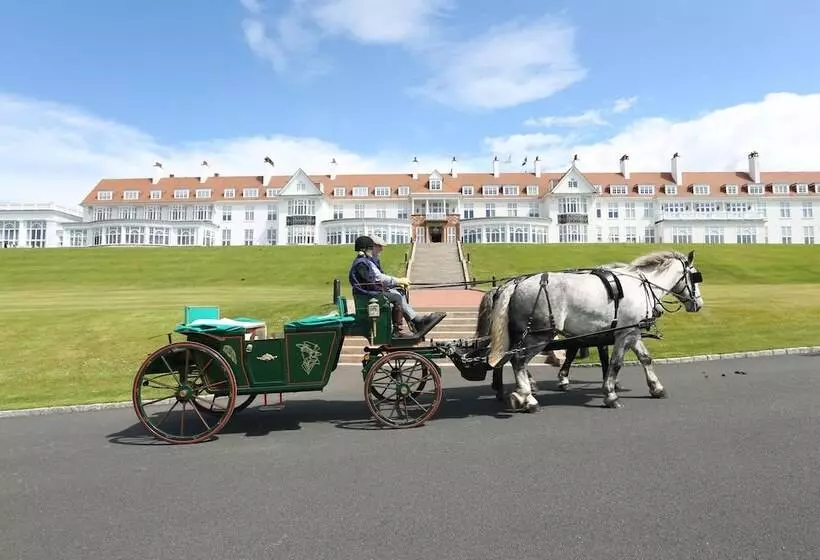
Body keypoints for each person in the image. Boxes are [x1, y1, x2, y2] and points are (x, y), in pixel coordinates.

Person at [348, 235, 444, 338]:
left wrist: (394, 284)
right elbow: (374, 279)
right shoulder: (362, 263)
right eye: (371, 248)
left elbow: (372, 281)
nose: (374, 250)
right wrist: (395, 281)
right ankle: (397, 331)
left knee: (398, 292)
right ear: (365, 249)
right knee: (396, 297)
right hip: (368, 295)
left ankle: (415, 321)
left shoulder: (364, 261)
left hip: (369, 293)